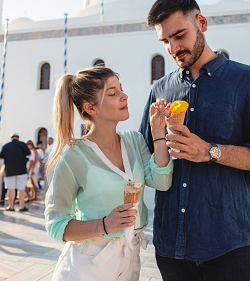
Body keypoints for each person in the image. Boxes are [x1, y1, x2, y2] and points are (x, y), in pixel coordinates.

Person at [139, 0, 250, 281]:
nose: (173, 48)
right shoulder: (160, 90)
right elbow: (145, 158)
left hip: (228, 245)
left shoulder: (247, 81)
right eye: (165, 41)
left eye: (179, 36)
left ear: (202, 23)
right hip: (170, 247)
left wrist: (210, 151)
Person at [44, 67, 173, 280]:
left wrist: (158, 132)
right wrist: (103, 225)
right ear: (90, 108)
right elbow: (56, 225)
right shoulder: (73, 158)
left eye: (121, 89)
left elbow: (162, 181)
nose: (124, 96)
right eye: (113, 93)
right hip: (87, 266)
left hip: (129, 261)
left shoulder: (134, 141)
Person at [0, 132, 31, 212]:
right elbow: (29, 154)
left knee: (10, 189)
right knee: (21, 189)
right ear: (18, 138)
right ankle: (21, 207)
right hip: (21, 170)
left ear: (11, 138)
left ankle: (11, 206)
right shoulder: (23, 144)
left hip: (9, 171)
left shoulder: (6, 146)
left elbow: (1, 157)